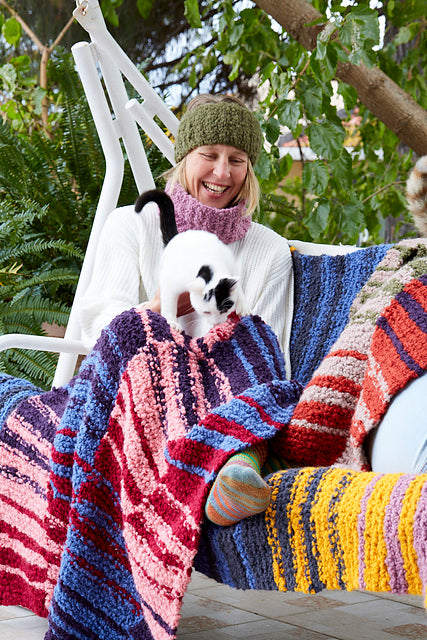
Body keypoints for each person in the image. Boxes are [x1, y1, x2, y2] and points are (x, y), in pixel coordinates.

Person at [77, 93, 295, 525]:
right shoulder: (132, 224)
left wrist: (223, 325)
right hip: (139, 390)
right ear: (184, 158)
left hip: (223, 392)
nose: (222, 172)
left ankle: (235, 472)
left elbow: (272, 354)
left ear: (249, 169)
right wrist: (157, 310)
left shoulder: (268, 250)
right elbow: (97, 324)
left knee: (257, 371)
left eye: (236, 159)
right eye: (209, 155)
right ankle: (210, 471)